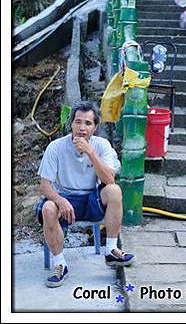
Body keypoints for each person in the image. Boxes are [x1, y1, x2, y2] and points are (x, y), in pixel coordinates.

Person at [35, 101, 135, 288]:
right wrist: (59, 199)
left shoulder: (101, 145)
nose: (82, 128)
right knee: (48, 207)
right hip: (64, 199)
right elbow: (45, 186)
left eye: (88, 123)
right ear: (71, 124)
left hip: (91, 199)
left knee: (114, 190)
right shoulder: (56, 147)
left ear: (95, 127)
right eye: (78, 122)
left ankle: (111, 249)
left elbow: (109, 179)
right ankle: (60, 264)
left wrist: (90, 152)